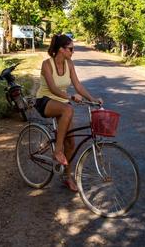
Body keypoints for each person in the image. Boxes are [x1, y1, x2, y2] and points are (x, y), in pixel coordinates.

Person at [34, 34, 102, 192]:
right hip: (44, 100)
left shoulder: (69, 64)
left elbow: (78, 85)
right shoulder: (47, 64)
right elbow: (53, 89)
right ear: (61, 49)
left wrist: (93, 99)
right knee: (68, 109)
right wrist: (70, 96)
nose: (73, 51)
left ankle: (67, 176)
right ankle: (57, 151)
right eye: (71, 49)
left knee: (71, 143)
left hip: (61, 102)